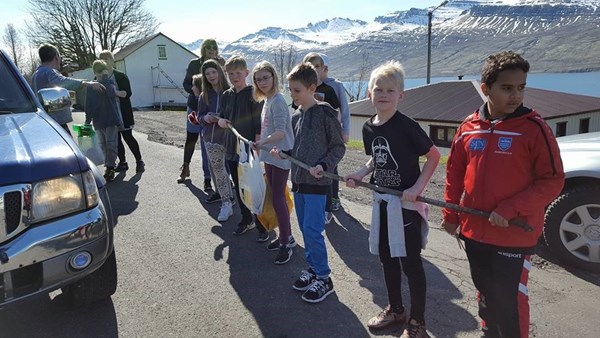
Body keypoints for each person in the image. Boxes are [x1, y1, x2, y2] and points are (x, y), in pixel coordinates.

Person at [441, 51, 565, 338]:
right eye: (507, 88)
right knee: (485, 291)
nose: (516, 95)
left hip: (514, 234)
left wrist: (510, 208)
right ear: (486, 89)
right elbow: (454, 175)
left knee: (510, 300)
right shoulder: (468, 127)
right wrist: (450, 215)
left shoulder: (534, 128)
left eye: (521, 87)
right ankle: (489, 331)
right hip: (473, 232)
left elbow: (553, 180)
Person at [344, 61, 440, 337]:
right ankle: (397, 309)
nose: (383, 94)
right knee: (387, 258)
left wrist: (418, 187)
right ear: (371, 94)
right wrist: (361, 173)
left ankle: (418, 322)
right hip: (383, 202)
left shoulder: (407, 125)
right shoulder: (369, 127)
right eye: (378, 89)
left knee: (411, 264)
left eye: (390, 89)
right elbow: (376, 158)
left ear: (401, 95)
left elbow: (433, 156)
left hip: (406, 205)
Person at [272, 62, 345, 303]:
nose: (292, 95)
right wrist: (286, 154)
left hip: (317, 185)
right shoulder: (296, 117)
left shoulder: (325, 113)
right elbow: (299, 150)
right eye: (290, 90)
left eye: (297, 90)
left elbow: (338, 147)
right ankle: (314, 269)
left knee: (313, 230)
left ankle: (324, 277)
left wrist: (324, 166)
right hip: (300, 183)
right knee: (305, 229)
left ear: (312, 88)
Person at [249, 61, 296, 264]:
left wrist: (261, 142)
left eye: (266, 78)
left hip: (281, 155)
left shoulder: (277, 101)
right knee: (275, 197)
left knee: (278, 198)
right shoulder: (267, 100)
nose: (262, 82)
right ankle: (288, 237)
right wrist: (262, 145)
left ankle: (285, 242)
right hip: (270, 155)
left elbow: (280, 132)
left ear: (274, 77)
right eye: (258, 79)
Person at [217, 56, 266, 237]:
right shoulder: (226, 95)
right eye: (231, 74)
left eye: (238, 73)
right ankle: (246, 219)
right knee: (239, 187)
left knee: (253, 187)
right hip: (231, 148)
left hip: (249, 149)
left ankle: (261, 223)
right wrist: (221, 121)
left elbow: (258, 124)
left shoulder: (254, 94)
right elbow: (221, 116)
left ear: (246, 73)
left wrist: (257, 147)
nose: (235, 77)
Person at [189, 61, 234, 222]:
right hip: (211, 139)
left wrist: (224, 119)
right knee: (218, 170)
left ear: (220, 72)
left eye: (213, 72)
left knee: (234, 172)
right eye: (207, 74)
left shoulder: (230, 92)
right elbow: (199, 117)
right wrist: (206, 118)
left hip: (229, 139)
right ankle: (226, 203)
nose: (211, 76)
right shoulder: (203, 95)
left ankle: (236, 199)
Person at [301, 52, 342, 224]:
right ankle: (320, 202)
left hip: (327, 136)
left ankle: (332, 201)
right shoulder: (303, 89)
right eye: (310, 66)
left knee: (330, 169)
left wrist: (337, 133)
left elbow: (337, 112)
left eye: (317, 66)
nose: (314, 69)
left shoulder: (328, 90)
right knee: (316, 170)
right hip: (310, 138)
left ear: (323, 68)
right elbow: (298, 110)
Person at [179, 39, 225, 187]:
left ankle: (208, 179)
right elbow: (186, 83)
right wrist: (197, 92)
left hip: (212, 108)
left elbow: (224, 83)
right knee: (191, 138)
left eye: (214, 47)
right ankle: (185, 167)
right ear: (203, 49)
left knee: (208, 143)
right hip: (195, 106)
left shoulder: (220, 64)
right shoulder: (195, 64)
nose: (211, 49)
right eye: (208, 47)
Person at [32, 43, 105, 134]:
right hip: (55, 123)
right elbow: (62, 81)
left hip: (46, 120)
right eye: (60, 57)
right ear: (56, 57)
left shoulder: (36, 74)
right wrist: (86, 83)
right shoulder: (48, 72)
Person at [98, 50, 145, 173]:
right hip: (109, 114)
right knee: (116, 140)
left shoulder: (120, 76)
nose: (104, 61)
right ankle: (123, 162)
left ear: (112, 61)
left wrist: (114, 92)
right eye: (102, 59)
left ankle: (139, 161)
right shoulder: (98, 77)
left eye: (107, 59)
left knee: (128, 137)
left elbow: (127, 93)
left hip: (123, 113)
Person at [320, 53, 351, 213]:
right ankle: (323, 197)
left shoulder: (336, 85)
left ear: (325, 68)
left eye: (318, 67)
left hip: (333, 133)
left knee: (332, 166)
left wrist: (345, 131)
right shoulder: (309, 85)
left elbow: (345, 110)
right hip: (317, 136)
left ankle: (334, 197)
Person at [84, 60, 125, 181]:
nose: (100, 75)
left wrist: (106, 78)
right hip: (98, 120)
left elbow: (112, 93)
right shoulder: (91, 87)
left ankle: (110, 167)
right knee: (102, 145)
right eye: (99, 73)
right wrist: (87, 120)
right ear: (95, 73)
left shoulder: (109, 82)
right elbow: (88, 104)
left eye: (102, 72)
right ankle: (108, 165)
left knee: (111, 144)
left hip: (111, 119)